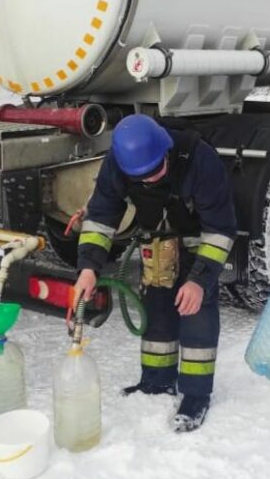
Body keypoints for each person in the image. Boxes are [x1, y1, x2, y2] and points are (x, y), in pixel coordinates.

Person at [72, 114, 237, 433]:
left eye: (156, 172)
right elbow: (101, 218)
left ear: (166, 148)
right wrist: (89, 268)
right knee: (157, 306)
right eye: (141, 177)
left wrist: (199, 280)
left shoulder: (200, 160)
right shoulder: (117, 163)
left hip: (199, 242)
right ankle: (157, 382)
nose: (149, 181)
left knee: (196, 311)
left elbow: (220, 229)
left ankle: (196, 395)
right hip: (158, 243)